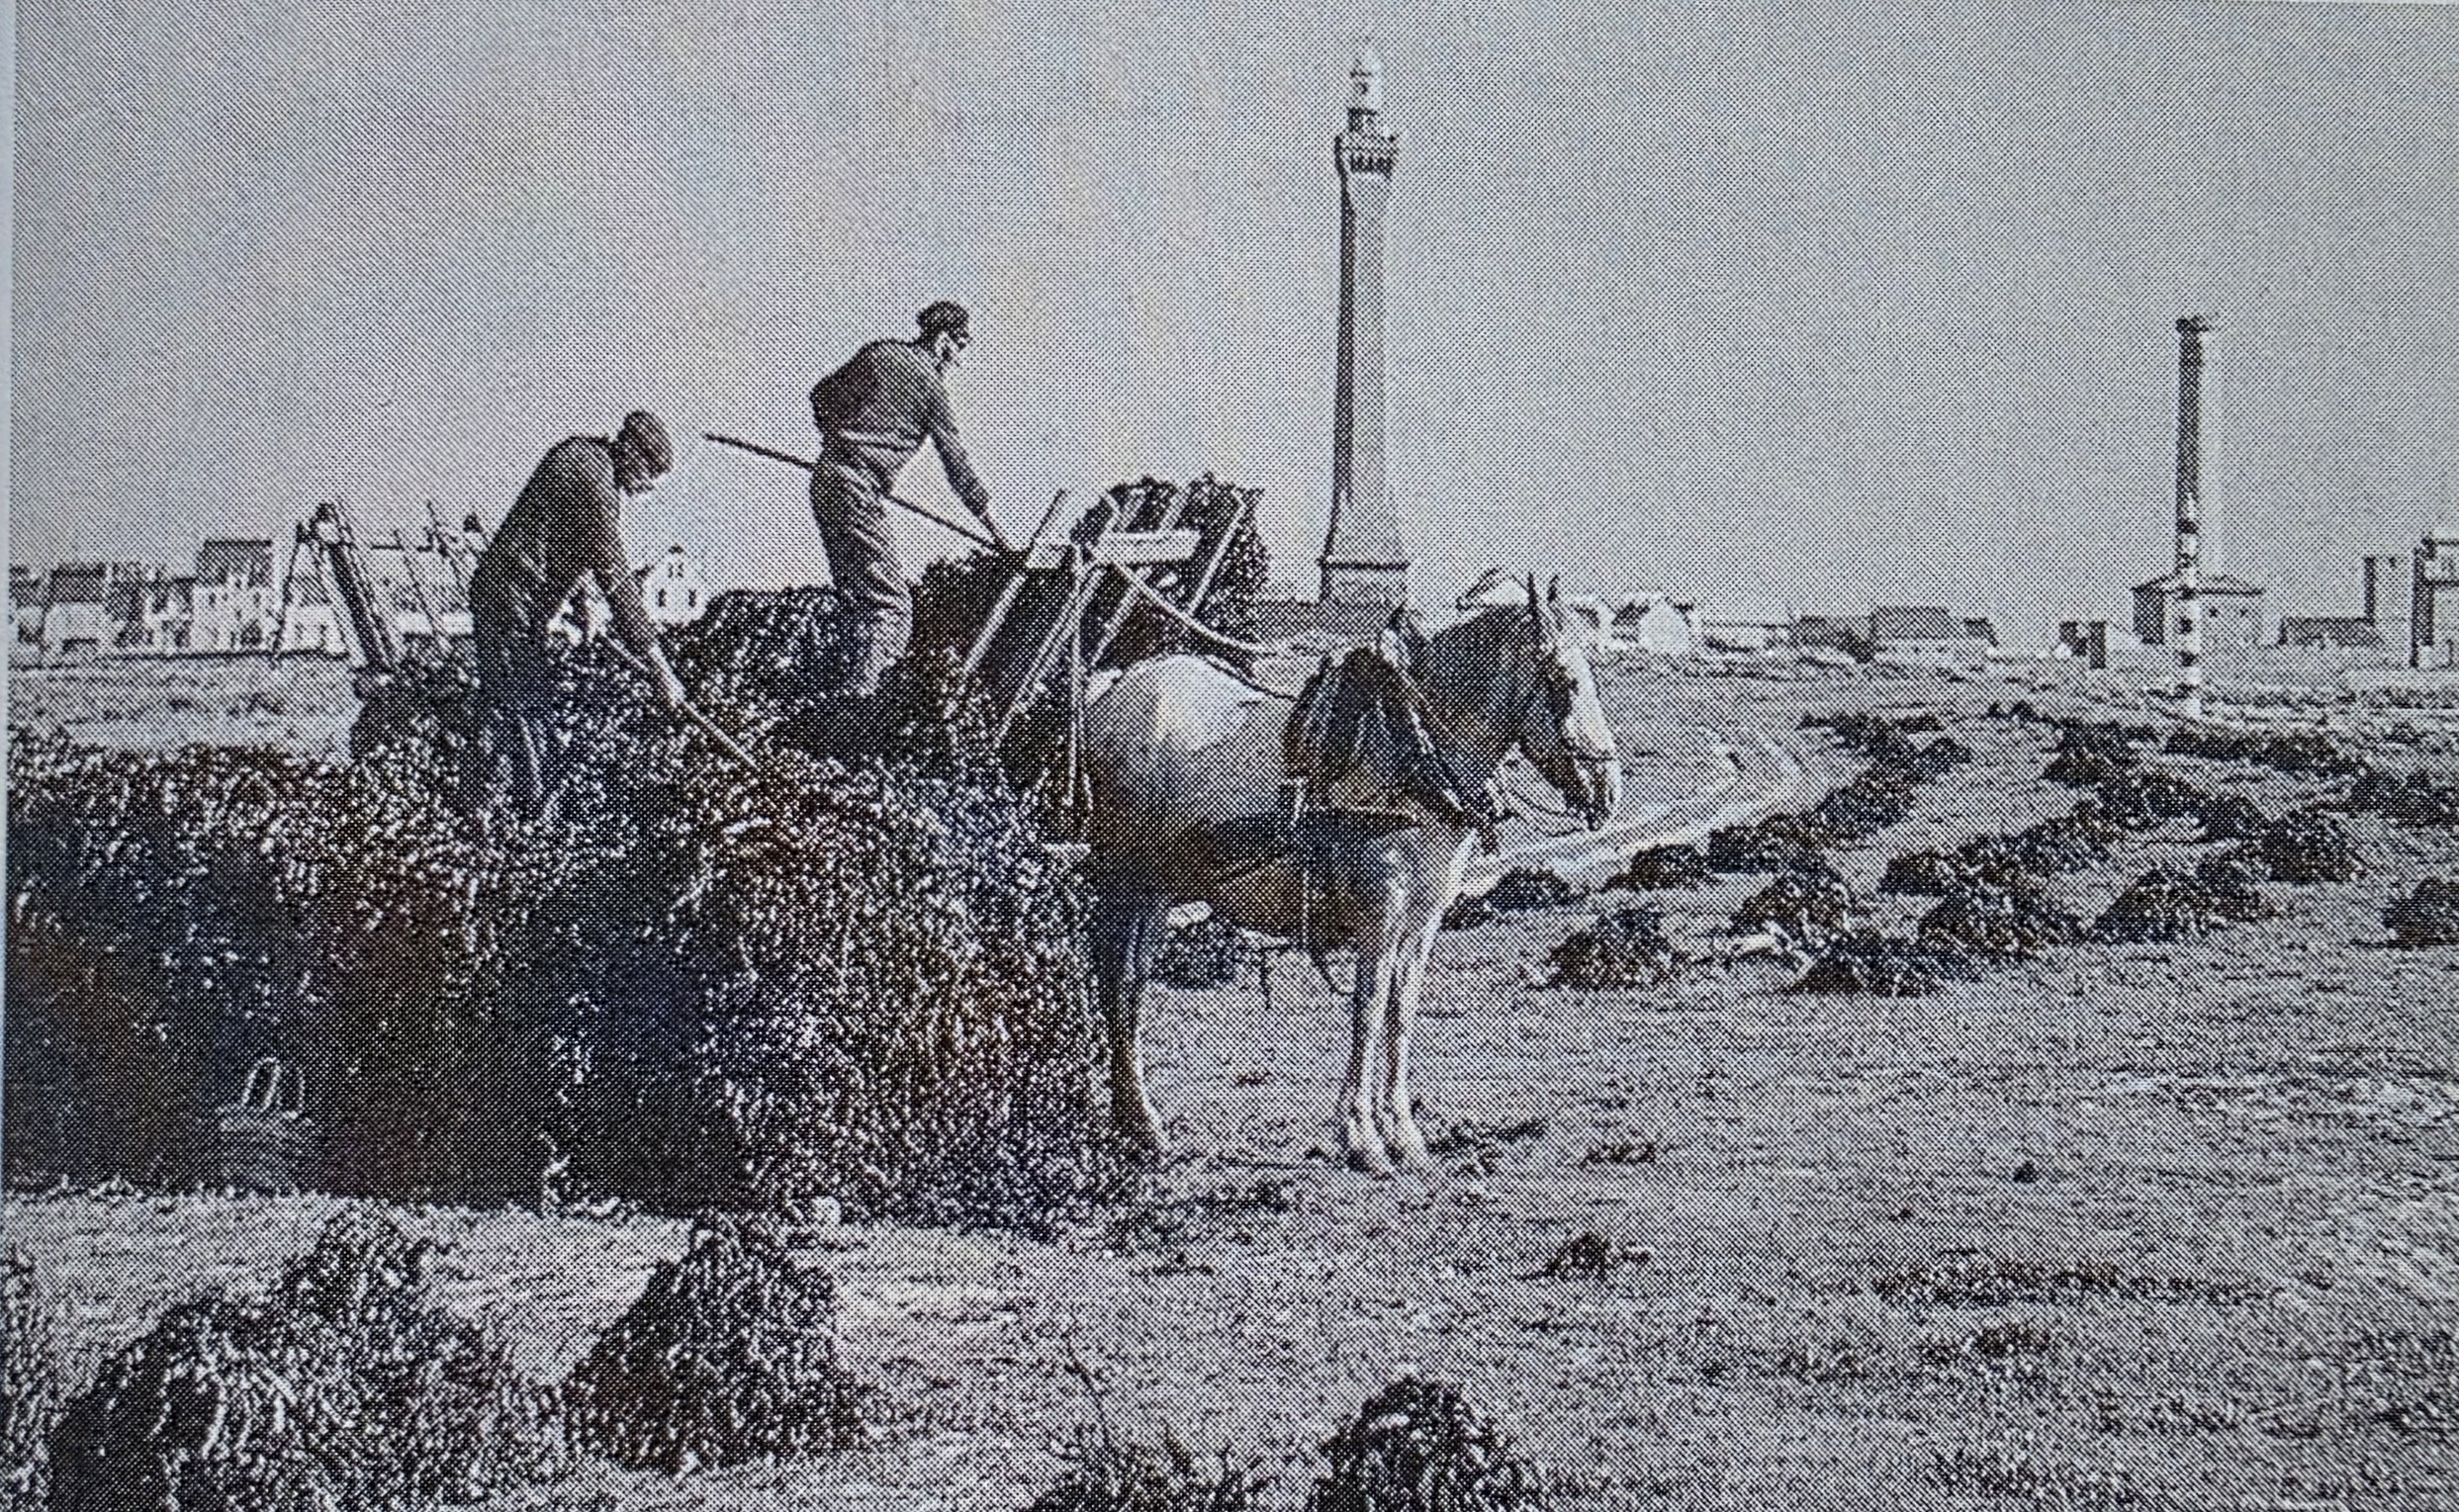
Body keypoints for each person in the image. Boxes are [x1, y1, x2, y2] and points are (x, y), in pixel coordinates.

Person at [464, 410, 686, 822]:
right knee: (526, 703)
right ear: (631, 451)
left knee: (510, 698)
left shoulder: (592, 463)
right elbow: (614, 574)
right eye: (648, 474)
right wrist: (659, 667)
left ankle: (485, 802)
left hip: (519, 599)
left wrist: (584, 609)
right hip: (508, 595)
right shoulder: (592, 476)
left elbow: (576, 550)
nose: (648, 487)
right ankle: (526, 815)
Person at [808, 301, 996, 695]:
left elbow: (821, 397)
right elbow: (957, 467)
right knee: (890, 606)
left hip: (827, 481)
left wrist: (844, 440)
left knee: (858, 602)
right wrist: (995, 530)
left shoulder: (878, 352)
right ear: (944, 340)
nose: (958, 360)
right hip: (858, 492)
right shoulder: (931, 388)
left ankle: (840, 701)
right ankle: (864, 718)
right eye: (960, 347)